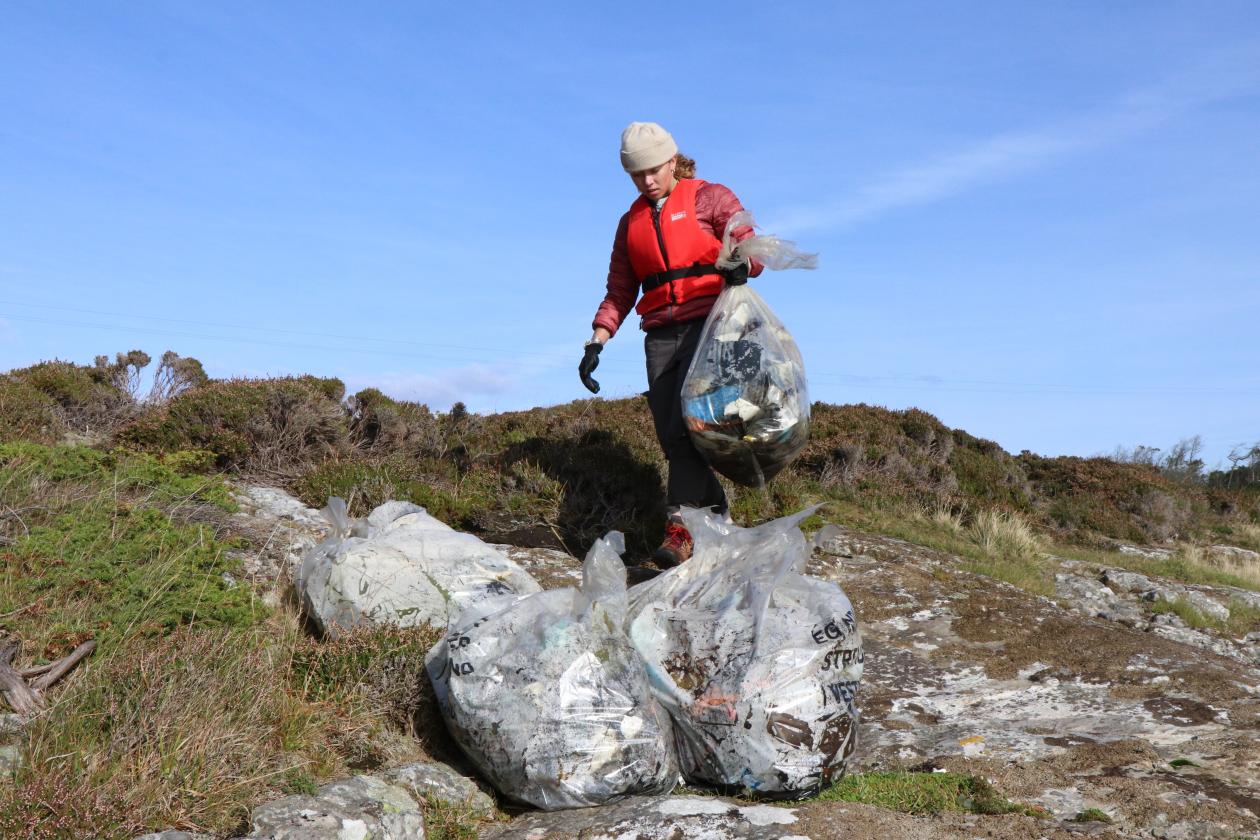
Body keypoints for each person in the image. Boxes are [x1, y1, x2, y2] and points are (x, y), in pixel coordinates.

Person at [579, 121, 762, 569]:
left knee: (688, 428)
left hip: (712, 324)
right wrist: (597, 340)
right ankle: (717, 516)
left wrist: (742, 263)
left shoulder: (710, 198)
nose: (646, 180)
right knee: (672, 437)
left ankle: (679, 531)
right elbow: (620, 290)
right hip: (660, 334)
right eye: (636, 174)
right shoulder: (630, 224)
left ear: (673, 160)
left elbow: (752, 250)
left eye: (653, 170)